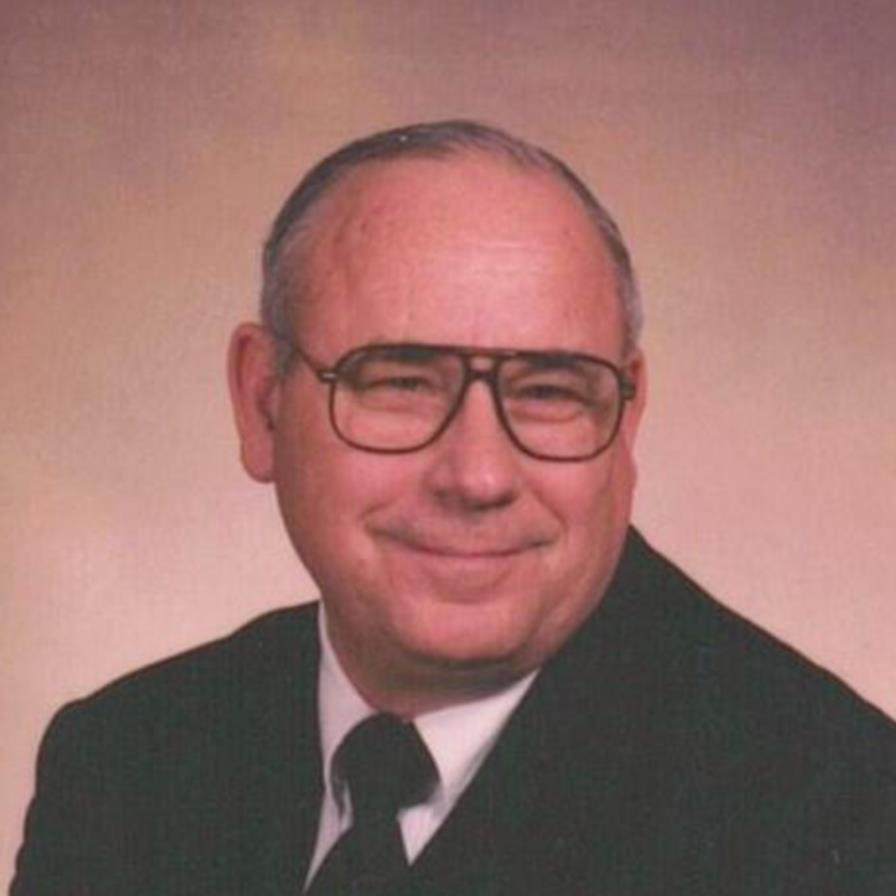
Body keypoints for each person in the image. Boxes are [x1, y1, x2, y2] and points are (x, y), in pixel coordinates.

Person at [12, 121, 896, 896]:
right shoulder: (126, 761)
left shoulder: (832, 816)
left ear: (626, 420)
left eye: (549, 391)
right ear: (262, 404)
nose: (478, 476)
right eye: (400, 381)